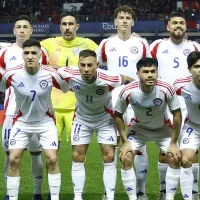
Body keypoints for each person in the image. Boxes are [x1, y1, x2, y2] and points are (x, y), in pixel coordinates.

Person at [58, 49, 133, 200]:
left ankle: (110, 197)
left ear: (97, 65)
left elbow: (129, 80)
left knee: (109, 156)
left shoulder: (109, 77)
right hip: (81, 119)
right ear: (77, 65)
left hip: (105, 119)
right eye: (82, 65)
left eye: (90, 65)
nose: (86, 69)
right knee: (77, 156)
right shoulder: (68, 73)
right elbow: (52, 72)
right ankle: (77, 197)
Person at [0, 38, 67, 200]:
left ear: (40, 56)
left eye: (34, 53)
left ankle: (54, 197)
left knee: (52, 158)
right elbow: (2, 87)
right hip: (21, 123)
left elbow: (65, 88)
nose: (30, 56)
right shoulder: (12, 74)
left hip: (46, 122)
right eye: (27, 53)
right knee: (13, 159)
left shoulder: (51, 74)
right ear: (23, 55)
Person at [97, 5, 151, 199]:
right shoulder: (105, 43)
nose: (125, 20)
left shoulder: (142, 43)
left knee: (139, 145)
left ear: (133, 21)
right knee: (109, 145)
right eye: (121, 17)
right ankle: (108, 191)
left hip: (137, 99)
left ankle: (141, 191)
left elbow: (149, 69)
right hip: (112, 99)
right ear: (115, 21)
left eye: (128, 17)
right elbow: (98, 68)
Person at [114, 57, 182, 200]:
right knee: (125, 157)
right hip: (138, 129)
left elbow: (177, 114)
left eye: (153, 71)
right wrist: (125, 142)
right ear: (138, 73)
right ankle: (134, 197)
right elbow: (118, 115)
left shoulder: (166, 88)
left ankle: (168, 197)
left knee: (174, 157)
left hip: (162, 129)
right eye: (145, 72)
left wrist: (174, 143)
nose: (150, 75)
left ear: (157, 72)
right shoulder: (128, 91)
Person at [150, 12, 200, 200]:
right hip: (165, 104)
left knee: (191, 152)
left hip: (190, 103)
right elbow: (148, 68)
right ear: (168, 27)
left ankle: (193, 192)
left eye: (181, 23)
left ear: (186, 27)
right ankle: (164, 191)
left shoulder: (195, 46)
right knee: (166, 151)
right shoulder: (157, 46)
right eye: (174, 23)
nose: (178, 26)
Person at [0, 15, 48, 200]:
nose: (21, 30)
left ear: (31, 30)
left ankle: (37, 193)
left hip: (35, 112)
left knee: (36, 154)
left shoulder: (41, 52)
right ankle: (9, 194)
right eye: (18, 27)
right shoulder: (5, 53)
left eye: (25, 27)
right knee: (9, 154)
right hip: (12, 111)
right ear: (13, 31)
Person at [41, 11, 98, 146]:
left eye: (70, 24)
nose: (67, 27)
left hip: (78, 107)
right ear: (60, 27)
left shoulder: (88, 44)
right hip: (52, 106)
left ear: (77, 26)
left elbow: (105, 56)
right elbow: (27, 50)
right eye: (64, 24)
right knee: (51, 151)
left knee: (78, 150)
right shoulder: (49, 44)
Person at [173, 51, 200, 200]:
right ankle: (188, 197)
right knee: (186, 159)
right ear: (189, 69)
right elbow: (167, 98)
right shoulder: (180, 85)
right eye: (197, 66)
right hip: (193, 127)